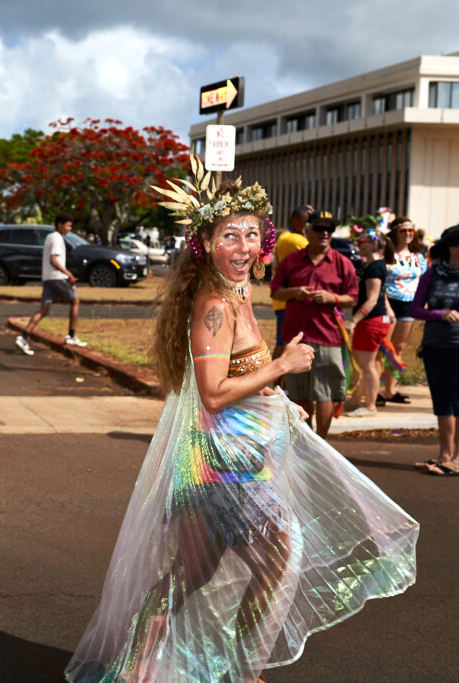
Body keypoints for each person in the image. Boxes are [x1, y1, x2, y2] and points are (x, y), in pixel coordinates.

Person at [65, 165, 418, 683]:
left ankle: (134, 672)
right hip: (223, 469)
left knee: (190, 575)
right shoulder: (213, 304)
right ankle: (242, 672)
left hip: (237, 462)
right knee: (280, 560)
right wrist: (282, 368)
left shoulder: (238, 293)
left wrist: (277, 398)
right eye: (230, 234)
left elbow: (240, 370)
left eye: (252, 234)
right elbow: (211, 395)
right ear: (205, 242)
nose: (244, 245)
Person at [269, 210, 358, 438]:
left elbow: (353, 297)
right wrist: (293, 292)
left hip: (327, 336)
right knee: (300, 392)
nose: (325, 233)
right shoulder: (292, 261)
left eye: (329, 229)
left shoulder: (342, 263)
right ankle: (307, 440)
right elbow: (275, 291)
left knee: (325, 393)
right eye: (319, 228)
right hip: (296, 338)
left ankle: (323, 441)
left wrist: (333, 298)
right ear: (308, 231)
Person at [409, 224, 459, 475]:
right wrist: (440, 314)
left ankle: (457, 459)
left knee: (458, 401)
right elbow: (415, 308)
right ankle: (444, 455)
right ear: (452, 247)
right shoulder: (432, 274)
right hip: (436, 345)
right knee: (442, 401)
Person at [14, 213, 87, 355]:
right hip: (57, 277)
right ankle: (71, 336)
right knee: (75, 301)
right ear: (59, 224)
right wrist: (69, 275)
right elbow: (54, 260)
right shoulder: (57, 239)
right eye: (68, 225)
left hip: (47, 278)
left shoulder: (49, 237)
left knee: (43, 310)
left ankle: (23, 338)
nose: (69, 229)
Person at [344, 230, 396, 416]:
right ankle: (358, 400)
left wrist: (354, 321)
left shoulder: (375, 268)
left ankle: (370, 406)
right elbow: (382, 295)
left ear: (375, 245)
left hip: (371, 321)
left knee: (367, 365)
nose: (360, 243)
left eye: (364, 240)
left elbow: (373, 299)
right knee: (364, 363)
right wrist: (389, 311)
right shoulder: (374, 266)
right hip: (374, 320)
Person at [381, 216, 428, 405]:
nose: (408, 234)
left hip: (410, 304)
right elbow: (380, 281)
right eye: (403, 230)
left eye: (411, 230)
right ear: (395, 233)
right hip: (389, 303)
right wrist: (385, 305)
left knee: (398, 348)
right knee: (383, 348)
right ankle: (373, 390)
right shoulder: (387, 254)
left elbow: (424, 283)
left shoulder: (419, 257)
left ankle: (390, 390)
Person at [270, 205, 311, 359]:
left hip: (286, 300)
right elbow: (319, 249)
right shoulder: (294, 240)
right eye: (306, 222)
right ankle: (275, 379)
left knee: (285, 342)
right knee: (285, 343)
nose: (308, 226)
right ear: (295, 220)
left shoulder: (285, 236)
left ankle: (277, 380)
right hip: (289, 301)